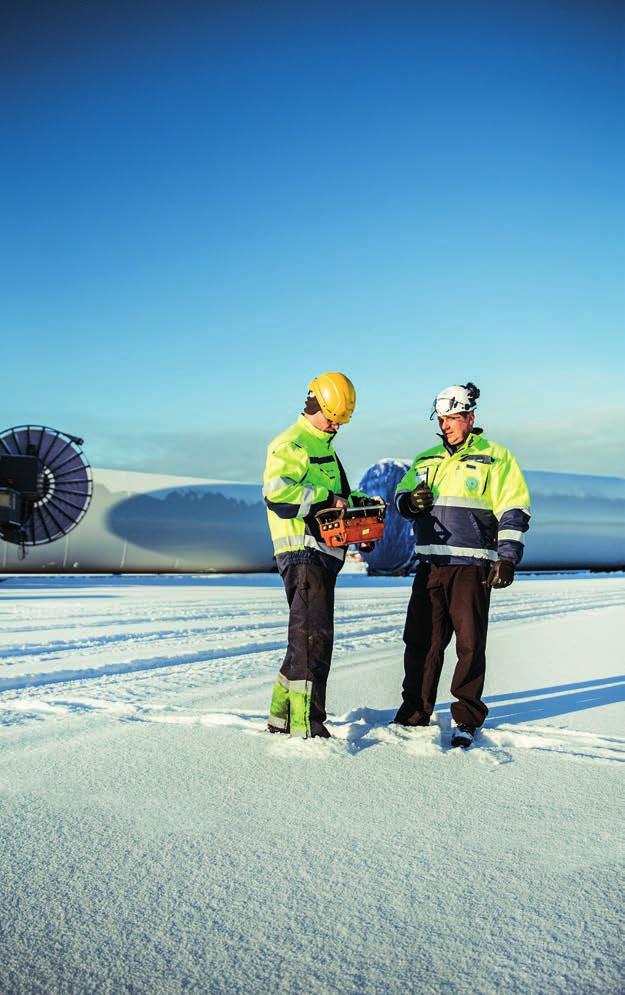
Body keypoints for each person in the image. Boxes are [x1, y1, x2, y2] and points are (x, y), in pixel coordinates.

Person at [393, 382, 531, 748]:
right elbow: (400, 500)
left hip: (471, 568)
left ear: (470, 417)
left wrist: (507, 558)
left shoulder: (496, 458)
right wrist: (411, 500)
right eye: (441, 419)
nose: (445, 426)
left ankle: (466, 718)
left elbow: (514, 509)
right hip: (430, 566)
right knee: (421, 642)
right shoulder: (425, 459)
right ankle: (414, 713)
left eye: (452, 418)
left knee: (469, 646)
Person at [263, 372, 373, 739]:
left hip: (324, 554)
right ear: (315, 405)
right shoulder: (292, 443)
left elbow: (338, 496)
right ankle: (306, 727)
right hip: (301, 553)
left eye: (341, 421)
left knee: (304, 639)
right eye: (332, 418)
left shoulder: (324, 447)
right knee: (313, 640)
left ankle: (281, 718)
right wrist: (326, 501)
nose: (336, 426)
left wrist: (363, 512)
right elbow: (278, 495)